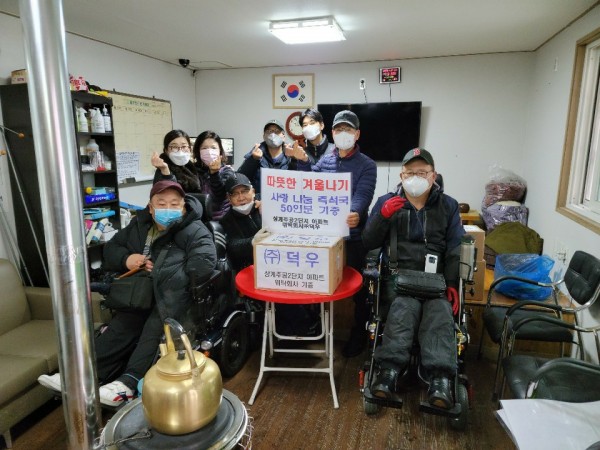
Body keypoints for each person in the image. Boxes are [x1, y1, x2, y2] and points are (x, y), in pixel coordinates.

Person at [39, 180, 217, 406]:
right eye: (161, 203)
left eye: (174, 204)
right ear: (151, 208)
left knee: (155, 326)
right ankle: (81, 375)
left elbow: (203, 265)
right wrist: (127, 259)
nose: (168, 209)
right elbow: (111, 249)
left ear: (183, 207)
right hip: (142, 291)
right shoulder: (139, 226)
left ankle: (127, 384)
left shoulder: (194, 229)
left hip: (174, 297)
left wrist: (166, 270)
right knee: (123, 323)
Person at [362, 148, 463, 409]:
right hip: (398, 280)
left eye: (422, 172)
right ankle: (388, 373)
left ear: (433, 176)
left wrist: (452, 283)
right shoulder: (387, 202)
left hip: (435, 282)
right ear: (401, 176)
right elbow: (368, 242)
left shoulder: (448, 206)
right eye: (410, 173)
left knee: (439, 312)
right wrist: (382, 217)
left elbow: (455, 248)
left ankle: (440, 379)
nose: (415, 178)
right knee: (403, 309)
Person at [294, 110, 377, 356]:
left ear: (357, 134)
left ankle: (358, 334)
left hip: (354, 238)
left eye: (348, 129)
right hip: (324, 237)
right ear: (332, 132)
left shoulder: (367, 165)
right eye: (339, 129)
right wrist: (302, 161)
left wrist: (355, 212)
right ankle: (316, 328)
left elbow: (362, 196)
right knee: (318, 283)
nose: (343, 134)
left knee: (358, 288)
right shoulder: (327, 160)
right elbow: (310, 186)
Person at [220, 172, 319, 335]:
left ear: (253, 191)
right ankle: (301, 326)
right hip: (252, 270)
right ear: (229, 198)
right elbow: (232, 247)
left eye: (244, 191)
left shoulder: (268, 203)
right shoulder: (226, 221)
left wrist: (273, 211)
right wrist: (252, 242)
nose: (241, 197)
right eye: (235, 194)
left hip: (286, 261)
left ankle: (308, 323)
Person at [152, 129, 234, 220]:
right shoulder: (166, 169)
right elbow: (172, 194)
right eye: (204, 148)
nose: (180, 151)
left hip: (218, 219)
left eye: (184, 146)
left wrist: (214, 174)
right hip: (185, 218)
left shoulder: (225, 171)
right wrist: (165, 171)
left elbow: (221, 196)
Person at [237, 120, 294, 195]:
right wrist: (253, 159)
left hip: (285, 199)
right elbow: (240, 179)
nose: (273, 134)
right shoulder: (255, 153)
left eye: (277, 131)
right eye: (269, 131)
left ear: (283, 136)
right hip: (260, 200)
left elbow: (300, 181)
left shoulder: (292, 155)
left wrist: (294, 160)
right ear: (264, 136)